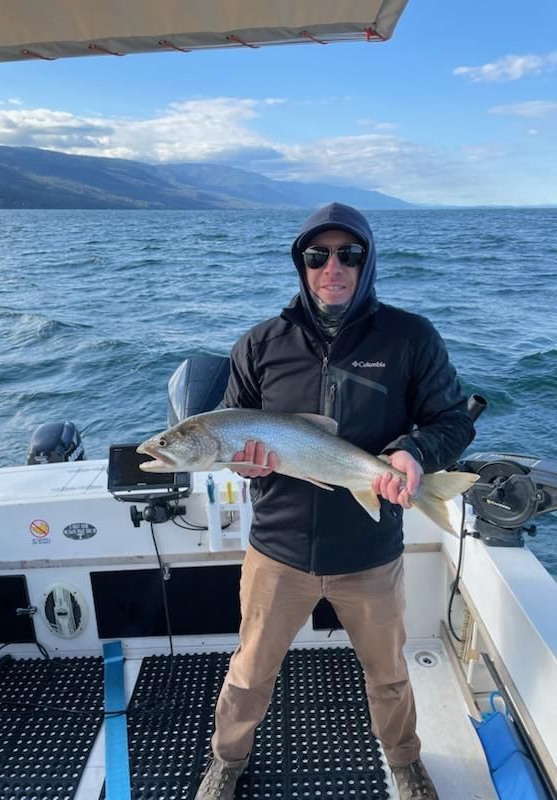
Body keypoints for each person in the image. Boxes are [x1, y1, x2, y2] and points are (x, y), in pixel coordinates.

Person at [195, 202, 475, 800]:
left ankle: (403, 762)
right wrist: (245, 467)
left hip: (371, 551)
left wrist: (413, 454)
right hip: (278, 551)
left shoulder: (410, 338)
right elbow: (234, 430)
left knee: (390, 676)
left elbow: (453, 420)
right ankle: (227, 760)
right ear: (301, 263)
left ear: (367, 261)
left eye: (349, 254)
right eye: (318, 255)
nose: (333, 267)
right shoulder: (259, 344)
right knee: (249, 674)